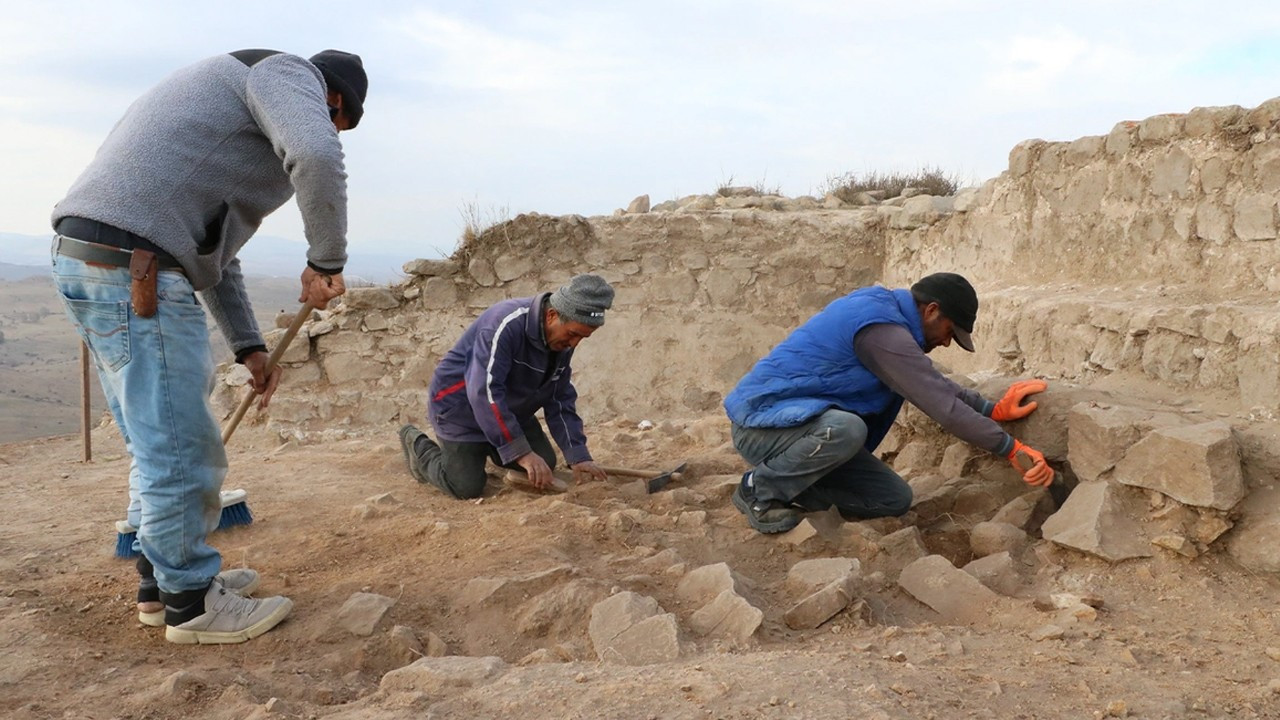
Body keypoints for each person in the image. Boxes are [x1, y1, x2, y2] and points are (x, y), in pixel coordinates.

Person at [50, 48, 368, 643]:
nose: (330, 133)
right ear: (333, 102)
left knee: (156, 440)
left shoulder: (221, 111)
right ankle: (192, 606)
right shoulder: (285, 74)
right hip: (135, 269)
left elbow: (215, 258)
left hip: (98, 259)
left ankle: (159, 586)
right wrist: (326, 260)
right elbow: (318, 154)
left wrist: (249, 346)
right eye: (339, 123)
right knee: (180, 449)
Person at [723, 272, 1054, 534]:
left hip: (805, 433)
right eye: (950, 332)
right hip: (763, 428)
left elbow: (930, 381)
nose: (947, 343)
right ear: (932, 310)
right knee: (846, 429)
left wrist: (991, 409)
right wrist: (1010, 448)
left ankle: (794, 487)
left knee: (893, 499)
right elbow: (942, 406)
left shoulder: (891, 320)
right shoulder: (880, 328)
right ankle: (759, 489)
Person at [399, 274, 614, 497]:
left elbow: (559, 397)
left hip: (508, 409)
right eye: (573, 334)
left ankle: (496, 445)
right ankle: (416, 444)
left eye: (582, 338)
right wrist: (520, 452)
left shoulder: (562, 341)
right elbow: (484, 392)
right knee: (465, 487)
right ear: (552, 315)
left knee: (545, 465)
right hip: (461, 410)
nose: (574, 344)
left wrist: (578, 454)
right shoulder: (503, 325)